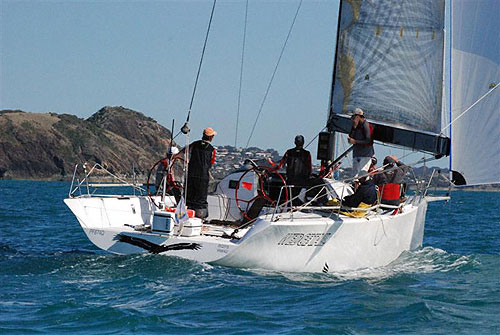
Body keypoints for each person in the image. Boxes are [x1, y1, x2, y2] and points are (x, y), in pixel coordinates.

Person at [185, 127, 217, 218]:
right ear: (211, 137)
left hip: (191, 174)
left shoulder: (194, 144)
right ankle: (199, 218)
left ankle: (186, 215)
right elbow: (211, 163)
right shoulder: (212, 149)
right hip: (203, 176)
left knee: (189, 197)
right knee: (200, 199)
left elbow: (185, 151)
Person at [277, 135, 312, 204]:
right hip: (302, 182)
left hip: (290, 180)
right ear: (303, 143)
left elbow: (280, 165)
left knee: (290, 199)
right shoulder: (307, 154)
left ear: (294, 142)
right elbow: (309, 168)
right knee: (298, 199)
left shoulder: (288, 152)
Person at [348, 108, 374, 177]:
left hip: (365, 155)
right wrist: (354, 127)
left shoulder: (366, 125)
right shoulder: (355, 125)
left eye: (353, 117)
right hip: (356, 154)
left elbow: (368, 140)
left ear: (358, 116)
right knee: (354, 176)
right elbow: (351, 135)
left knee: (361, 175)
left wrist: (355, 141)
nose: (352, 119)